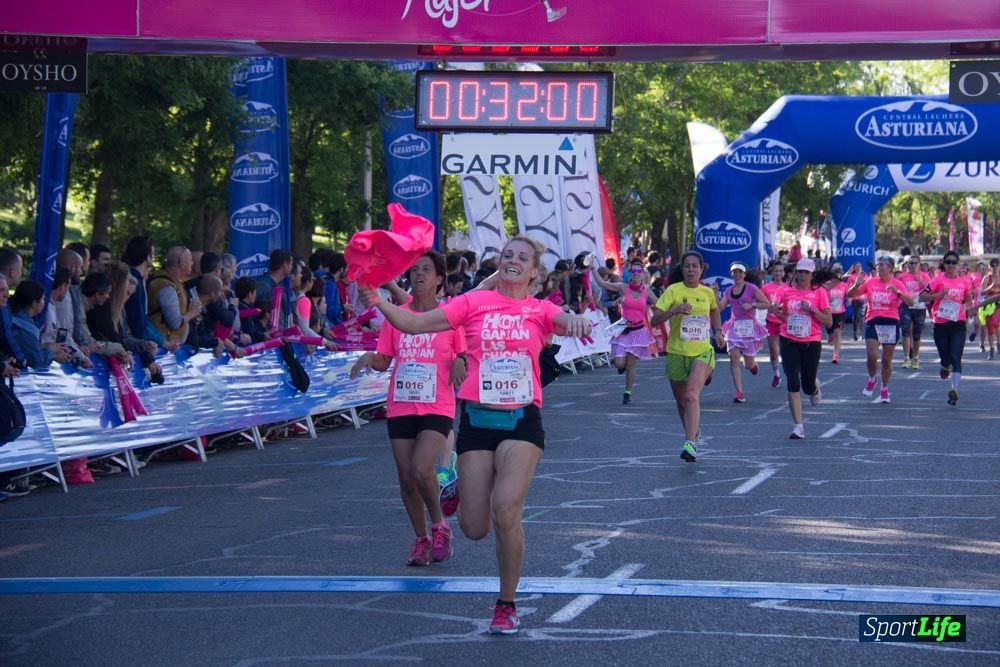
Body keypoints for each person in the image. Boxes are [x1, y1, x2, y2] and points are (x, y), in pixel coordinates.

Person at [357, 236, 591, 635]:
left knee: (506, 509)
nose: (513, 260)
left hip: (522, 421)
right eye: (507, 255)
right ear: (499, 265)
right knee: (474, 528)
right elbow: (414, 323)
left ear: (534, 271)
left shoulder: (539, 309)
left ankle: (506, 604)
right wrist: (378, 301)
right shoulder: (473, 303)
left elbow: (565, 321)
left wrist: (578, 321)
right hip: (477, 422)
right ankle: (460, 488)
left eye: (523, 257)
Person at [350, 251, 466, 567]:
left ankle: (440, 526)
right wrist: (369, 359)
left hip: (437, 404)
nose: (419, 274)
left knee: (421, 469)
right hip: (401, 404)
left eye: (426, 269)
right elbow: (384, 359)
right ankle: (421, 539)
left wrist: (460, 360)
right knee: (406, 480)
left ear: (440, 278)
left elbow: (465, 352)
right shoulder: (396, 316)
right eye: (414, 270)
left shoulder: (450, 315)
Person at [650, 251, 724, 462]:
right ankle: (693, 430)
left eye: (695, 266)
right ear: (682, 269)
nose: (691, 270)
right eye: (687, 266)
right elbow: (654, 320)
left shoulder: (707, 292)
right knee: (682, 401)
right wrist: (674, 310)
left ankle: (690, 443)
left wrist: (718, 332)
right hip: (676, 351)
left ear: (701, 269)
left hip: (702, 350)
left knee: (691, 394)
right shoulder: (673, 291)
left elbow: (714, 310)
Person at [772, 258, 832, 439]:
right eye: (800, 271)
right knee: (792, 381)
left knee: (807, 386)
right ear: (795, 273)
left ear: (812, 275)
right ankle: (798, 426)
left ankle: (815, 387)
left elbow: (828, 322)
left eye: (806, 272)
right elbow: (782, 316)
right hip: (788, 340)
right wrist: (777, 312)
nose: (803, 275)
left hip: (811, 342)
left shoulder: (819, 292)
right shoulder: (785, 291)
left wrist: (813, 309)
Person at [846, 255, 913, 403]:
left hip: (891, 322)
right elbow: (850, 294)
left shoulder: (898, 284)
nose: (878, 267)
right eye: (878, 265)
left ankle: (884, 388)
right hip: (873, 320)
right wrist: (856, 285)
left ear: (890, 268)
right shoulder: (870, 282)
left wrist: (898, 293)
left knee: (886, 360)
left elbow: (910, 302)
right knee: (872, 355)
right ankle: (872, 378)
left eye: (882, 265)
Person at [589, 259, 658, 404]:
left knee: (630, 364)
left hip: (638, 329)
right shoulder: (623, 287)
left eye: (639, 271)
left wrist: (676, 307)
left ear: (643, 273)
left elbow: (660, 303)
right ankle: (622, 367)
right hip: (623, 327)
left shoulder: (647, 290)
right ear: (630, 273)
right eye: (633, 271)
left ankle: (628, 393)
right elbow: (602, 283)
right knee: (619, 364)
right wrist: (592, 268)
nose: (636, 273)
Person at [88, 262, 164, 380]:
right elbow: (104, 339)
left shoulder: (121, 311)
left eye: (130, 295)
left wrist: (141, 344)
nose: (127, 298)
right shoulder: (100, 308)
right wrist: (122, 352)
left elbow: (124, 338)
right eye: (127, 293)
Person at [920, 251, 977, 406]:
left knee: (956, 357)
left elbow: (968, 297)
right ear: (944, 264)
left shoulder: (964, 281)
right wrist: (938, 295)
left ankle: (954, 391)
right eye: (948, 262)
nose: (951, 265)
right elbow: (922, 296)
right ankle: (945, 365)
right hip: (940, 323)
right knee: (946, 358)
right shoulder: (937, 280)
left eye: (954, 262)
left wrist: (970, 308)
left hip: (958, 323)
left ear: (958, 264)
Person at [718, 261, 770, 403]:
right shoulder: (729, 291)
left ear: (744, 274)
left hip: (749, 329)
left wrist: (752, 305)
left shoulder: (751, 288)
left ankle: (753, 365)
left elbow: (766, 304)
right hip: (734, 328)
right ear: (731, 274)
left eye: (740, 272)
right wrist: (713, 294)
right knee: (734, 360)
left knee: (748, 364)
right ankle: (739, 392)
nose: (737, 275)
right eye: (735, 272)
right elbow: (719, 308)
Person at [9, 280, 73, 369]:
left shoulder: (13, 314)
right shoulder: (26, 326)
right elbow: (36, 361)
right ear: (34, 303)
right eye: (43, 299)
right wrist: (52, 350)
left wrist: (46, 347)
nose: (44, 302)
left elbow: (28, 349)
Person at [900, 255, 932, 369]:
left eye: (915, 263)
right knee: (905, 331)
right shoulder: (903, 276)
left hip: (919, 307)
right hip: (906, 306)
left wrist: (921, 281)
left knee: (917, 334)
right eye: (911, 263)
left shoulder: (924, 275)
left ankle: (916, 357)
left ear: (919, 265)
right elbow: (899, 290)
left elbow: (930, 289)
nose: (913, 265)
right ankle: (906, 358)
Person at [761, 262, 786, 387]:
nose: (778, 273)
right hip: (771, 322)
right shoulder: (766, 288)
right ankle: (777, 374)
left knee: (785, 351)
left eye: (781, 271)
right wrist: (767, 306)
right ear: (772, 273)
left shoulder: (787, 287)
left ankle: (790, 373)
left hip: (784, 322)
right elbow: (760, 301)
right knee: (774, 351)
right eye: (776, 271)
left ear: (784, 273)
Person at [824, 264, 849, 364]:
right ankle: (830, 337)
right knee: (831, 335)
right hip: (829, 313)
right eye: (836, 273)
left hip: (840, 313)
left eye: (840, 273)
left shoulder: (844, 285)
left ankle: (836, 355)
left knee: (837, 333)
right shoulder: (828, 284)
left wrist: (850, 299)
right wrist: (827, 299)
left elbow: (848, 294)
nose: (838, 275)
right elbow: (822, 297)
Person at [980, 258, 1000, 360]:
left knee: (997, 325)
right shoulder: (986, 278)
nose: (995, 267)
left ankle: (998, 344)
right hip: (989, 306)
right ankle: (992, 349)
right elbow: (982, 293)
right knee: (990, 327)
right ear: (990, 267)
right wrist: (991, 287)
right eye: (993, 265)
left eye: (997, 265)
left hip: (999, 305)